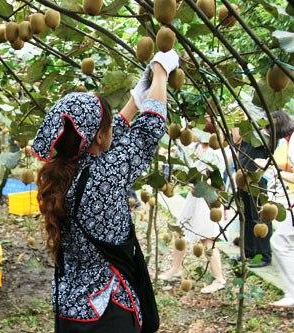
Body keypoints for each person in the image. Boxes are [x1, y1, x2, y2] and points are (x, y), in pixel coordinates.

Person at [32, 50, 179, 332]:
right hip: (106, 311)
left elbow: (109, 137)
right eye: (107, 126)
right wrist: (161, 71)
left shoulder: (63, 170)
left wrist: (136, 99)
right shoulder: (101, 177)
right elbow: (148, 131)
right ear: (98, 136)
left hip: (71, 306)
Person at [159, 135, 227, 293]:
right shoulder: (196, 147)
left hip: (207, 199)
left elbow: (217, 179)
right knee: (179, 232)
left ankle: (219, 279)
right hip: (194, 197)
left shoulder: (215, 151)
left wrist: (201, 185)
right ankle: (175, 268)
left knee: (207, 239)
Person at [234, 110, 289, 267]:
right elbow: (238, 141)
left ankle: (264, 256)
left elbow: (267, 162)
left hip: (257, 181)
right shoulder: (252, 131)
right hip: (243, 179)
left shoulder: (270, 139)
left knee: (261, 218)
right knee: (245, 216)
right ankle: (248, 252)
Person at [254, 111, 294, 308]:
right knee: (286, 243)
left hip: (292, 200)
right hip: (288, 199)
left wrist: (273, 170)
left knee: (279, 242)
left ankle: (293, 292)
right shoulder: (287, 141)